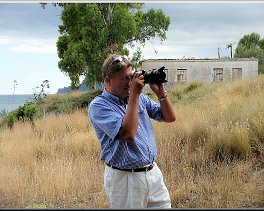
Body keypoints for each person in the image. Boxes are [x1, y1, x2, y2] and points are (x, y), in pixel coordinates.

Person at [88, 54, 176, 208]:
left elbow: (169, 117)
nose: (130, 83)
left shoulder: (139, 98)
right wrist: (134, 94)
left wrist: (161, 95)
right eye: (125, 79)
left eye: (132, 77)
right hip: (125, 179)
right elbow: (128, 133)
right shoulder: (99, 106)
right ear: (108, 80)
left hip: (152, 173)